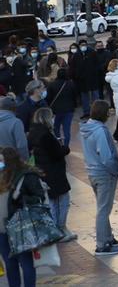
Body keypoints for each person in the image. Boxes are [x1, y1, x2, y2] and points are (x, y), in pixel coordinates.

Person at [80, 99, 118, 256]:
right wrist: (115, 169)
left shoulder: (87, 128)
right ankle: (102, 244)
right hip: (104, 173)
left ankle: (108, 237)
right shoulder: (100, 131)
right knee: (104, 209)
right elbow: (106, 156)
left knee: (103, 207)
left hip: (92, 171)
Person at [0, 145, 45, 285]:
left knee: (25, 262)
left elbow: (39, 197)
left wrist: (20, 199)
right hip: (2, 229)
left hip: (20, 226)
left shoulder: (26, 175)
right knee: (10, 263)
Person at [28, 107, 72, 242]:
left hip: (43, 169)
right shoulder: (46, 135)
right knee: (63, 199)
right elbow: (56, 153)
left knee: (52, 201)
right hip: (54, 171)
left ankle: (56, 229)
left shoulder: (33, 132)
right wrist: (65, 147)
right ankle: (60, 228)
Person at [45, 68, 76, 148]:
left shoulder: (52, 84)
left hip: (56, 110)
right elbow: (75, 96)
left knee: (56, 128)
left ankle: (59, 143)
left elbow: (48, 98)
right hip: (69, 110)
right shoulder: (71, 84)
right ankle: (66, 146)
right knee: (66, 129)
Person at [0, 95, 27, 160]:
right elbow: (22, 146)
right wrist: (25, 160)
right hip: (13, 161)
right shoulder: (16, 122)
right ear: (13, 108)